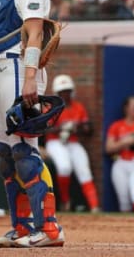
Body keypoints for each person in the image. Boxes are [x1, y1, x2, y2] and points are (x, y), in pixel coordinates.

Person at [0, 0, 65, 248]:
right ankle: (21, 226)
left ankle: (49, 228)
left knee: (23, 149)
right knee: (5, 153)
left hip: (18, 66)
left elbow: (34, 35)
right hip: (0, 70)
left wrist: (30, 77)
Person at [45, 74, 100, 212]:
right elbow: (44, 128)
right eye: (62, 92)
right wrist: (61, 128)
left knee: (84, 171)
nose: (65, 94)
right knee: (64, 167)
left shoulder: (78, 107)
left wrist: (76, 127)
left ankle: (94, 206)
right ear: (57, 93)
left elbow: (88, 128)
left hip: (73, 141)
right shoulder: (52, 107)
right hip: (55, 141)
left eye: (67, 91)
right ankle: (65, 201)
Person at [105, 95, 134, 214]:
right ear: (126, 108)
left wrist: (126, 143)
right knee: (124, 201)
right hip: (120, 163)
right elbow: (109, 148)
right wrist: (125, 141)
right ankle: (128, 231)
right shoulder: (116, 125)